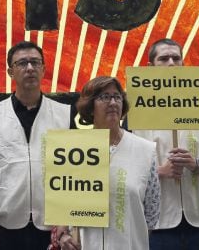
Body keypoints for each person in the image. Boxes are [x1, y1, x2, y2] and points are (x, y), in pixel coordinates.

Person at [0, 41, 72, 250]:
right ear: (11, 71)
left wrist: (67, 220)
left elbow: (74, 173)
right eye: (22, 63)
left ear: (44, 69)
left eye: (35, 62)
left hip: (53, 226)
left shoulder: (64, 115)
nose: (30, 68)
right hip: (4, 226)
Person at [56, 76, 160, 250]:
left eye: (117, 97)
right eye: (105, 97)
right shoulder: (72, 149)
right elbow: (59, 204)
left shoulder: (145, 150)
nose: (113, 102)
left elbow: (151, 213)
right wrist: (64, 235)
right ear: (90, 107)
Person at [133, 39, 199, 249]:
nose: (171, 63)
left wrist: (195, 164)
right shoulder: (136, 111)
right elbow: (128, 173)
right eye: (163, 58)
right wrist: (160, 171)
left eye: (176, 58)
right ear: (150, 67)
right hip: (158, 224)